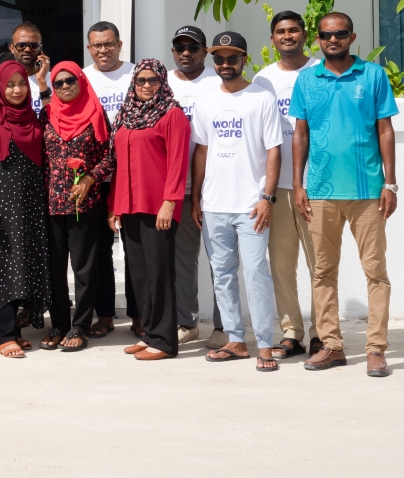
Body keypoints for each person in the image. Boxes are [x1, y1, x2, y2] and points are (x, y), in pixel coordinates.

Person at [291, 12, 399, 378]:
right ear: (317, 39)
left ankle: (376, 349)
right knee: (322, 272)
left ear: (351, 37)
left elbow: (385, 129)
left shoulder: (373, 76)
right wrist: (299, 185)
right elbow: (300, 135)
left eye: (338, 34)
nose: (331, 40)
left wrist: (390, 182)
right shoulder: (307, 80)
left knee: (375, 272)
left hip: (368, 191)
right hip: (320, 192)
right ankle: (332, 346)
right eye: (325, 35)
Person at [191, 32, 283, 373]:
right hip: (214, 203)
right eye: (219, 58)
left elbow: (274, 150)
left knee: (257, 272)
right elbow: (201, 150)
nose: (225, 64)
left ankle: (264, 344)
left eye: (232, 58)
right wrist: (197, 198)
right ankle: (234, 339)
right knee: (223, 275)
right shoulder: (205, 101)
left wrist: (267, 197)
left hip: (251, 205)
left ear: (244, 59)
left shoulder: (261, 98)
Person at [253, 11, 322, 359]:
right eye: (280, 31)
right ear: (272, 39)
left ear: (304, 34)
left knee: (320, 265)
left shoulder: (321, 72)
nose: (287, 35)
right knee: (281, 265)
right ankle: (292, 333)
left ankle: (321, 334)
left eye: (293, 30)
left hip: (317, 185)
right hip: (277, 187)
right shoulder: (262, 80)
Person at [110, 59, 189, 361]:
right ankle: (149, 333)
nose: (146, 86)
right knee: (139, 275)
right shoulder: (127, 116)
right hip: (130, 206)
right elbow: (118, 164)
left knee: (159, 275)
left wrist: (170, 202)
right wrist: (115, 207)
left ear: (162, 82)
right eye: (141, 80)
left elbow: (178, 163)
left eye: (152, 81)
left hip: (158, 207)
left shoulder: (172, 115)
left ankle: (165, 341)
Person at [0, 61, 49, 358]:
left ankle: (12, 329)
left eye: (21, 84)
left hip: (28, 205)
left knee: (20, 267)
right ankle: (1, 335)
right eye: (10, 84)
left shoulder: (31, 116)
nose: (16, 90)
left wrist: (45, 87)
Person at [39, 62, 115, 352]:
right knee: (55, 269)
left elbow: (110, 156)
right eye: (58, 83)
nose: (65, 86)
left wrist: (89, 178)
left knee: (84, 268)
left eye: (70, 80)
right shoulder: (45, 115)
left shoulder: (96, 113)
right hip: (51, 204)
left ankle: (80, 326)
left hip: (85, 202)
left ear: (81, 80)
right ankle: (58, 323)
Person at [168, 25, 225, 348]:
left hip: (217, 186)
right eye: (180, 47)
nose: (186, 53)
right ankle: (186, 322)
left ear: (205, 52)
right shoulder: (162, 83)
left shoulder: (218, 82)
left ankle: (224, 325)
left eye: (193, 47)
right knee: (183, 261)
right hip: (181, 188)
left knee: (221, 260)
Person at [82, 21, 136, 338]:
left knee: (136, 250)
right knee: (99, 251)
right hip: (94, 179)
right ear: (89, 49)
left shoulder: (134, 75)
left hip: (131, 178)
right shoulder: (82, 78)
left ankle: (140, 313)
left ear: (119, 44)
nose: (103, 50)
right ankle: (104, 314)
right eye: (97, 45)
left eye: (109, 43)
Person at [0, 22, 52, 113]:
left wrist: (41, 81)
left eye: (33, 45)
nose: (27, 49)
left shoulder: (56, 81)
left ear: (40, 48)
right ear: (12, 48)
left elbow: (58, 118)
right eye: (21, 45)